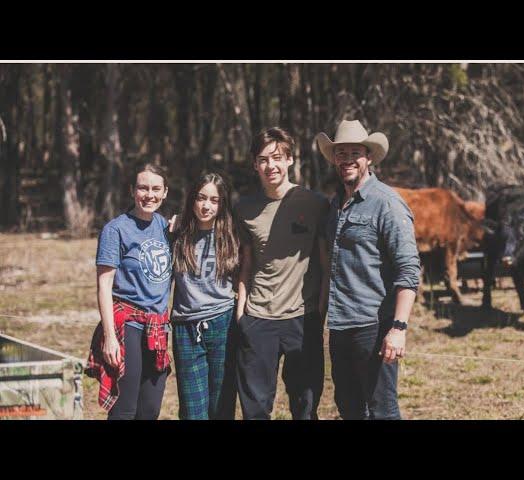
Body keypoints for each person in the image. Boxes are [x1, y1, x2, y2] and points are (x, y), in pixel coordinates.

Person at [315, 119, 421, 420]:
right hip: (340, 326)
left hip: (373, 326)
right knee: (349, 407)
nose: (347, 160)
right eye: (341, 153)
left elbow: (409, 269)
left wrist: (398, 329)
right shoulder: (336, 204)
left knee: (382, 409)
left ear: (368, 157)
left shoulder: (386, 203)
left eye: (354, 153)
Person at [234, 127, 329, 420]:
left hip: (303, 317)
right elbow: (245, 265)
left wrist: (321, 315)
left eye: (277, 157)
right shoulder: (244, 209)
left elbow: (326, 264)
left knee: (305, 406)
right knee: (256, 409)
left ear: (290, 159)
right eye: (263, 159)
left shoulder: (315, 204)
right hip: (259, 318)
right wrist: (242, 315)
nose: (270, 166)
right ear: (254, 164)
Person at [86, 162, 172, 420]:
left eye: (156, 189)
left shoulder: (166, 228)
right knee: (125, 408)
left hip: (157, 325)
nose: (149, 195)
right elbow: (104, 285)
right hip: (128, 324)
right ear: (132, 190)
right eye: (143, 188)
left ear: (165, 192)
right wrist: (110, 337)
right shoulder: (116, 230)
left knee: (150, 409)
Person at [170, 172, 240, 420]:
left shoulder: (232, 235)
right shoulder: (176, 234)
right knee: (192, 410)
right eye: (201, 198)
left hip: (224, 323)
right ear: (192, 199)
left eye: (214, 200)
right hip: (186, 327)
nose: (206, 205)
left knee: (222, 405)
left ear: (222, 204)